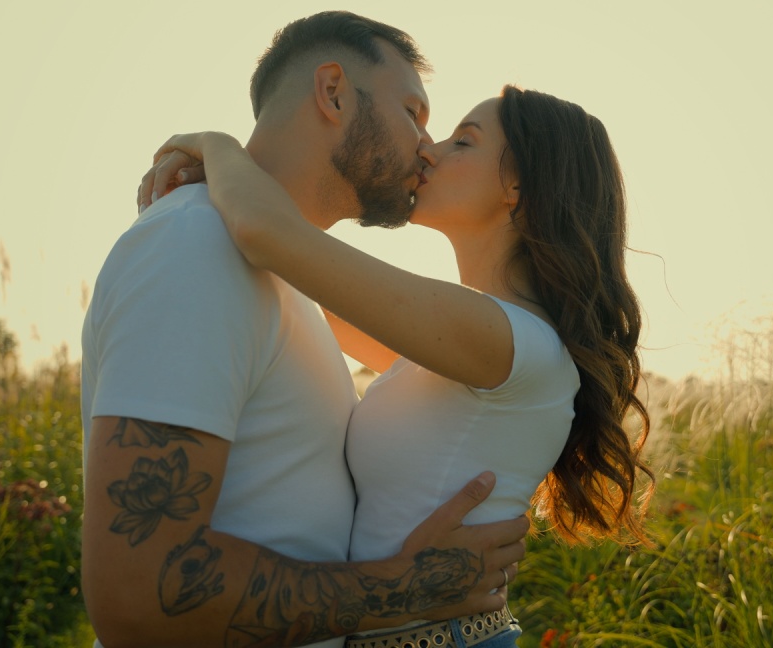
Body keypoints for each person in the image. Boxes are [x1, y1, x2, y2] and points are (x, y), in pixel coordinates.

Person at [140, 83, 653, 647]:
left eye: (464, 142)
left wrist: (213, 146)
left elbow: (271, 236)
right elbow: (299, 281)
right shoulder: (468, 348)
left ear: (516, 186)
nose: (430, 150)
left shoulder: (505, 340)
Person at [80, 12, 529, 648]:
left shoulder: (287, 281)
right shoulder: (194, 245)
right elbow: (138, 592)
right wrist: (401, 590)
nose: (426, 147)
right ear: (334, 91)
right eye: (413, 112)